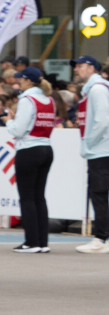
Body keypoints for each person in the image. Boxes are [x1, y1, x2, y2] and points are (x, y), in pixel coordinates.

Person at [6, 67, 55, 253]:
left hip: (28, 149)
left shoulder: (27, 100)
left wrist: (9, 121)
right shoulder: (49, 100)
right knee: (39, 197)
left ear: (28, 81)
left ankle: (31, 242)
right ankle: (42, 242)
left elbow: (18, 131)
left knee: (27, 198)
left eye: (21, 80)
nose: (19, 82)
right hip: (46, 148)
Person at [72, 56, 109, 253]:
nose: (77, 70)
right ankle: (102, 237)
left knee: (100, 194)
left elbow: (103, 120)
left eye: (80, 66)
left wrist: (89, 142)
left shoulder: (97, 89)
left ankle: (101, 238)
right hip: (101, 149)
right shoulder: (94, 89)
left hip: (101, 150)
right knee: (100, 195)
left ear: (91, 68)